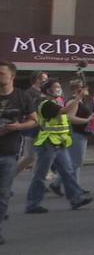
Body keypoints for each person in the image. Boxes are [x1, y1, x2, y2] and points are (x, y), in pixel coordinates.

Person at [25, 97, 93, 214]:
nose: (59, 91)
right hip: (48, 144)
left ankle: (76, 199)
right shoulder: (46, 105)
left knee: (68, 171)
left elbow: (66, 116)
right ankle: (32, 204)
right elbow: (65, 111)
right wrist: (78, 98)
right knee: (41, 175)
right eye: (56, 87)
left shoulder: (53, 105)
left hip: (59, 144)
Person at [0, 61, 37, 245]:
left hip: (8, 152)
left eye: (1, 73)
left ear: (12, 76)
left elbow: (34, 121)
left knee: (3, 193)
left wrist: (18, 126)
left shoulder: (22, 97)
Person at [15, 71, 47, 176]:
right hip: (32, 129)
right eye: (44, 79)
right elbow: (27, 111)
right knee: (29, 157)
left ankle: (38, 180)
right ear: (37, 79)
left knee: (39, 156)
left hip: (43, 128)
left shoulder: (44, 93)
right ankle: (7, 177)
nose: (46, 81)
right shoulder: (30, 93)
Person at [64, 80, 93, 186]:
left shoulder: (79, 101)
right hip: (76, 133)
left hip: (80, 133)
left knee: (75, 162)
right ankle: (58, 184)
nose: (87, 90)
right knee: (76, 162)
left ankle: (75, 186)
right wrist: (87, 120)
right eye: (85, 88)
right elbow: (71, 118)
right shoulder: (73, 102)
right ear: (79, 89)